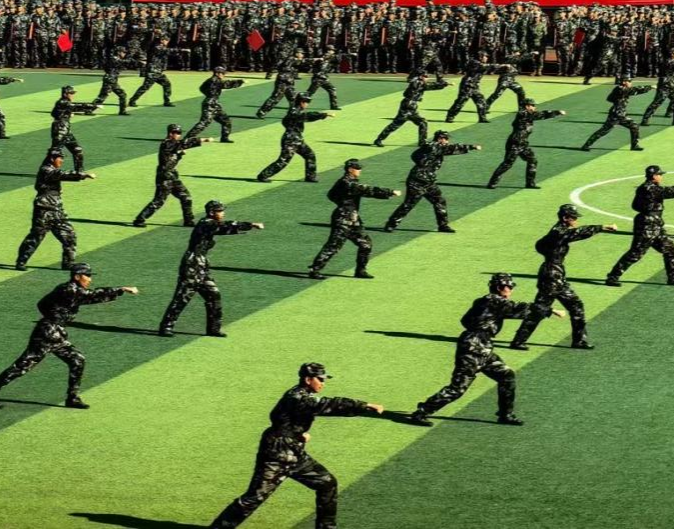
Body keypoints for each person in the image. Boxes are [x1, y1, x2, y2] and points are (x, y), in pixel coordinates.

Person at [208, 362, 385, 529]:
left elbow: (277, 416)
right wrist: (365, 405)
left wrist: (296, 433)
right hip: (277, 454)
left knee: (327, 483)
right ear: (308, 379)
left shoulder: (298, 395)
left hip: (292, 451)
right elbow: (329, 405)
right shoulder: (298, 397)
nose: (323, 383)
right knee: (254, 497)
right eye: (320, 379)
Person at [0, 263, 137, 410]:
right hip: (47, 333)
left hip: (56, 332)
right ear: (77, 276)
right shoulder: (71, 290)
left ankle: (72, 398)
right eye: (87, 275)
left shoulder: (66, 288)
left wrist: (53, 316)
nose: (90, 279)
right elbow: (92, 295)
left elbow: (42, 303)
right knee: (23, 366)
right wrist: (121, 289)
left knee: (77, 360)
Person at [410, 273, 538, 427]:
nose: (511, 290)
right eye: (509, 287)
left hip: (481, 346)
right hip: (474, 348)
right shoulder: (497, 302)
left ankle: (506, 414)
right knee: (458, 388)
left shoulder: (482, 301)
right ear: (500, 288)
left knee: (506, 375)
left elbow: (465, 320)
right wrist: (549, 310)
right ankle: (421, 412)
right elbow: (522, 310)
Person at [511, 206, 617, 350]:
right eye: (573, 217)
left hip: (556, 274)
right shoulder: (558, 232)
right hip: (551, 275)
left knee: (576, 306)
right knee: (540, 309)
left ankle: (579, 341)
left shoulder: (558, 231)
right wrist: (601, 227)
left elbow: (539, 245)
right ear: (565, 218)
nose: (576, 219)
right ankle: (518, 341)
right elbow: (578, 233)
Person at [159, 200, 262, 337]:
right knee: (183, 296)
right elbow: (224, 227)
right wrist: (250, 225)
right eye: (220, 211)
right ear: (212, 212)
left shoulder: (210, 223)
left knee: (213, 295)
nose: (222, 213)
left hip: (201, 264)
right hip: (192, 264)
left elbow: (224, 227)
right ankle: (166, 327)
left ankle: (214, 329)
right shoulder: (206, 223)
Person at [605, 165, 674, 287]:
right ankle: (613, 277)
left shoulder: (645, 188)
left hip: (654, 224)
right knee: (636, 253)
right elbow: (671, 191)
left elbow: (635, 205)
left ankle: (673, 277)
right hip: (647, 225)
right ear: (654, 176)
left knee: (670, 249)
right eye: (659, 175)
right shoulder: (649, 188)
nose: (661, 177)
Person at [308, 159, 399, 280]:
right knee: (333, 246)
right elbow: (367, 190)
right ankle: (315, 269)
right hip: (343, 219)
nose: (359, 170)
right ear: (350, 169)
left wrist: (343, 202)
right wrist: (390, 192)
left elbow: (331, 195)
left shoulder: (347, 182)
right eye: (357, 168)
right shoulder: (347, 183)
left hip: (353, 219)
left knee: (366, 245)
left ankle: (360, 270)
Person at [383, 131, 480, 233]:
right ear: (440, 139)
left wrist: (421, 163)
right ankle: (391, 224)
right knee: (409, 204)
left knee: (439, 201)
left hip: (428, 181)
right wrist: (471, 147)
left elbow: (414, 155)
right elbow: (452, 148)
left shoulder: (430, 146)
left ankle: (443, 225)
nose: (447, 141)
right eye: (446, 139)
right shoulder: (435, 146)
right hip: (417, 182)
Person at [15, 149, 95, 270]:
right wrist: (83, 175)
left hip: (56, 209)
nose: (62, 161)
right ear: (52, 159)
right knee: (36, 236)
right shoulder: (46, 170)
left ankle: (68, 262)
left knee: (69, 234)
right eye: (60, 158)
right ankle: (21, 262)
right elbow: (62, 174)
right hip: (44, 209)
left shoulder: (49, 169)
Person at [134, 125, 210, 227]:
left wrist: (180, 153)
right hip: (164, 176)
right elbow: (182, 144)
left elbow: (178, 148)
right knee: (159, 200)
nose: (179, 135)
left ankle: (188, 221)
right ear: (170, 133)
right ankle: (139, 219)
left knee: (186, 197)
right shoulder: (166, 143)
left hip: (172, 175)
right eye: (177, 133)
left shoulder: (174, 144)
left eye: (180, 133)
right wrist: (202, 140)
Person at [485, 98, 565, 190]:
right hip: (514, 143)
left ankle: (530, 183)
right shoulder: (523, 113)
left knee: (532, 160)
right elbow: (539, 115)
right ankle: (492, 183)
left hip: (523, 143)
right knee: (507, 164)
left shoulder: (528, 114)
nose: (534, 107)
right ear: (527, 106)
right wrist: (556, 112)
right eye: (533, 105)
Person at [256, 94, 333, 183]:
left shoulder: (295, 110)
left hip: (296, 138)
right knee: (283, 160)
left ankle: (310, 177)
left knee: (310, 155)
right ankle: (263, 176)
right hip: (291, 140)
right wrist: (322, 115)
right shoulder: (295, 111)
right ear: (301, 102)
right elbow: (307, 116)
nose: (307, 104)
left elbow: (284, 121)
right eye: (306, 102)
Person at [373, 74, 449, 147]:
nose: (427, 78)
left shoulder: (418, 82)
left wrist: (442, 85)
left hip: (410, 106)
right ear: (421, 76)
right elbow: (429, 86)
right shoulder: (417, 83)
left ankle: (422, 142)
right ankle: (379, 139)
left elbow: (429, 87)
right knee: (396, 125)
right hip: (407, 106)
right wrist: (443, 84)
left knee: (422, 123)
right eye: (425, 76)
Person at [581, 77, 649, 151]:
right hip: (616, 114)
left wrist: (618, 101)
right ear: (624, 82)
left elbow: (609, 98)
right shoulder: (620, 89)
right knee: (604, 130)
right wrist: (649, 87)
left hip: (620, 113)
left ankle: (635, 145)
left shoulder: (620, 89)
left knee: (634, 126)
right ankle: (586, 145)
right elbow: (634, 90)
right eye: (629, 81)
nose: (630, 83)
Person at [186, 68, 244, 143]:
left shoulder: (209, 80)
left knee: (226, 121)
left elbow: (201, 88)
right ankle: (189, 137)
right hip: (210, 104)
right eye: (222, 73)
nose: (223, 75)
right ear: (217, 73)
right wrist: (239, 81)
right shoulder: (215, 80)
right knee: (205, 122)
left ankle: (224, 138)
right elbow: (226, 84)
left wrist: (208, 94)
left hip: (214, 103)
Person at [51, 85, 98, 171]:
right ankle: (48, 171)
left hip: (66, 130)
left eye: (73, 93)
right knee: (55, 152)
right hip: (59, 130)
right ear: (65, 94)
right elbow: (77, 106)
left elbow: (53, 113)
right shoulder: (62, 102)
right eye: (71, 93)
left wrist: (66, 114)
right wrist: (92, 106)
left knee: (77, 150)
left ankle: (79, 172)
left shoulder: (64, 104)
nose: (73, 95)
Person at [445, 52, 493, 124]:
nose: (486, 58)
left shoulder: (478, 63)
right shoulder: (474, 62)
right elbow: (485, 67)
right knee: (461, 101)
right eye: (485, 56)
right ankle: (450, 117)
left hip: (474, 85)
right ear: (480, 57)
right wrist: (503, 66)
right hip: (467, 85)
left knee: (481, 100)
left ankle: (482, 118)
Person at [255, 51, 304, 119]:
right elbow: (285, 67)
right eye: (301, 53)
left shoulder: (295, 60)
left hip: (289, 82)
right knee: (276, 97)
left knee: (293, 98)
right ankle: (262, 111)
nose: (302, 55)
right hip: (282, 82)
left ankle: (293, 113)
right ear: (297, 54)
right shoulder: (290, 59)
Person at [129, 36, 174, 107]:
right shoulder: (157, 47)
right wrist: (180, 50)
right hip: (152, 71)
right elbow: (166, 51)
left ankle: (167, 101)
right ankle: (132, 100)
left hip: (158, 72)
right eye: (166, 40)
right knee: (145, 87)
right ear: (162, 40)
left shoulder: (163, 48)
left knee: (167, 84)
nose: (167, 42)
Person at [92, 45, 133, 115]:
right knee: (103, 96)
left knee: (122, 95)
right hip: (110, 79)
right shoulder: (113, 59)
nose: (124, 54)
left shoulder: (114, 59)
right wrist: (132, 60)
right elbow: (123, 62)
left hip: (112, 79)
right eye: (123, 52)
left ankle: (122, 111)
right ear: (118, 52)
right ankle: (89, 109)